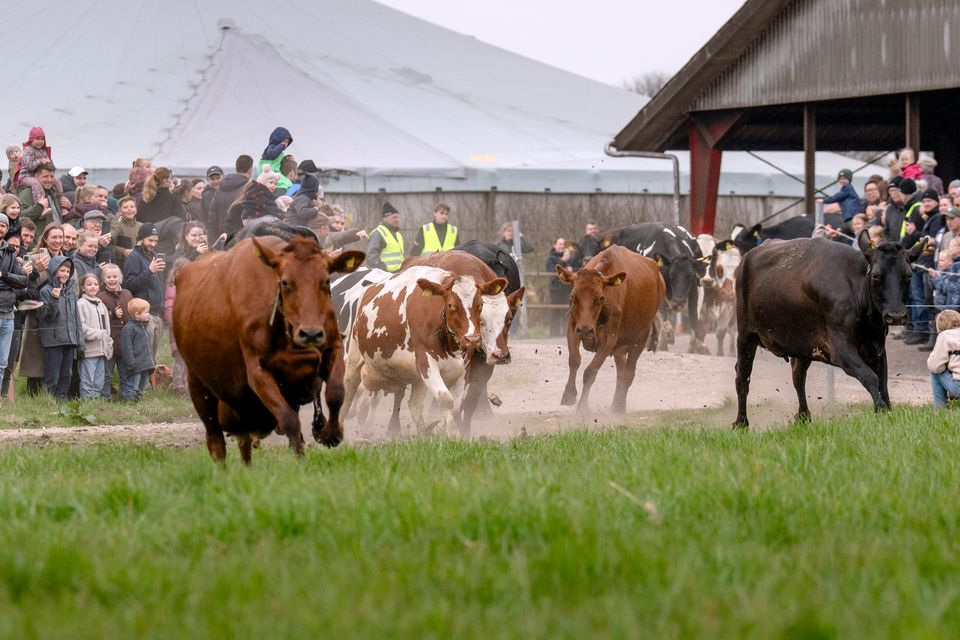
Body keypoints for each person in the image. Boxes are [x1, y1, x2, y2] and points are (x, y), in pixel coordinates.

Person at [0, 213, 39, 393]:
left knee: (3, 363)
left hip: (9, 313)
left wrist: (6, 277)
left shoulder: (10, 253)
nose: (1, 228)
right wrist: (12, 282)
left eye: (3, 225)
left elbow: (24, 281)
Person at [37, 256, 82, 400]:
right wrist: (54, 299)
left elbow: (76, 318)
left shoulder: (70, 291)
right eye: (62, 270)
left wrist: (78, 339)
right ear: (54, 271)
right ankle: (49, 402)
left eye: (68, 271)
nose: (65, 274)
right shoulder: (45, 291)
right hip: (53, 341)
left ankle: (61, 401)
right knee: (52, 376)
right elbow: (46, 317)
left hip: (69, 340)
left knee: (66, 374)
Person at [97, 264, 132, 400]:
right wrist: (112, 314)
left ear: (120, 278)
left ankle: (126, 398)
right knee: (107, 374)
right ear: (104, 279)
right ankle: (105, 398)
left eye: (115, 276)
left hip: (125, 341)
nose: (112, 280)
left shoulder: (127, 294)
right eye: (109, 277)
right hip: (109, 342)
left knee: (125, 373)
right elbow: (98, 318)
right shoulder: (101, 297)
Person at [76, 273, 113, 399]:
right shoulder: (81, 303)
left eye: (96, 284)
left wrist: (108, 343)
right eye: (89, 284)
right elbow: (81, 328)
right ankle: (87, 406)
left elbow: (107, 328)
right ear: (82, 288)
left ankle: (95, 405)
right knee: (87, 381)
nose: (93, 287)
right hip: (88, 352)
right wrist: (99, 334)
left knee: (98, 381)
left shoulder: (101, 304)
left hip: (101, 351)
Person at [122, 225, 165, 324]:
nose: (153, 244)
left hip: (157, 312)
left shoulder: (154, 256)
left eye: (155, 241)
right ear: (141, 239)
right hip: (142, 314)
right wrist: (149, 271)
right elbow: (130, 286)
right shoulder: (133, 258)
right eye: (150, 240)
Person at [13, 127, 64, 204]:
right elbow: (29, 166)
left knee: (58, 182)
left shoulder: (43, 151)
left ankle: (61, 200)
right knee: (35, 184)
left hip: (39, 175)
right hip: (26, 176)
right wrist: (40, 161)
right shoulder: (28, 150)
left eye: (42, 139)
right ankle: (40, 203)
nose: (40, 141)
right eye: (37, 139)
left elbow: (50, 165)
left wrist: (50, 163)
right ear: (31, 140)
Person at [163, 258, 190, 395]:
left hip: (190, 330)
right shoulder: (172, 288)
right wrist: (178, 325)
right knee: (179, 358)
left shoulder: (190, 287)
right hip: (178, 330)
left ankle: (186, 386)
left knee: (188, 359)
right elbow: (169, 309)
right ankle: (178, 386)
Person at [208, 155, 252, 237]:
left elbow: (212, 218)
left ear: (236, 168)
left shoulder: (220, 189)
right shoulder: (250, 188)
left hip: (224, 237)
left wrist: (220, 233)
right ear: (250, 169)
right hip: (243, 237)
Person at [120, 298, 155, 401]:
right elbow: (127, 347)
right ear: (137, 314)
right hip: (135, 365)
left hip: (146, 363)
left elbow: (148, 346)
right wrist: (131, 363)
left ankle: (139, 402)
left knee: (143, 386)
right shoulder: (129, 329)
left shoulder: (145, 327)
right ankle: (129, 402)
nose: (148, 314)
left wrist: (152, 360)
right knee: (132, 386)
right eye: (146, 312)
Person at [19, 163, 69, 228]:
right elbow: (20, 216)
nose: (49, 180)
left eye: (52, 176)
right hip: (40, 236)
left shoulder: (54, 191)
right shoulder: (27, 192)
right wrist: (39, 207)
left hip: (58, 235)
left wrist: (69, 207)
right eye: (45, 176)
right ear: (35, 177)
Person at [927, 310, 960, 407]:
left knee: (936, 372)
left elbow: (935, 366)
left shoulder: (944, 336)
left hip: (958, 387)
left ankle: (940, 409)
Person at [546, 237, 573, 337]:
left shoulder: (569, 258)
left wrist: (571, 268)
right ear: (555, 245)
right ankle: (554, 334)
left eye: (563, 244)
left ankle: (566, 334)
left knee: (567, 312)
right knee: (555, 312)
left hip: (568, 289)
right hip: (556, 289)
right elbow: (551, 271)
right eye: (559, 244)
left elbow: (576, 268)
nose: (562, 246)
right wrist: (562, 261)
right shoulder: (551, 258)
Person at [366, 202, 405, 272]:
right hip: (384, 276)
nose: (397, 220)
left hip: (398, 273)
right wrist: (382, 269)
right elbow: (371, 257)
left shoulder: (397, 234)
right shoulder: (378, 233)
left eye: (398, 217)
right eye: (394, 217)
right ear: (385, 218)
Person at [259, 127, 294, 191]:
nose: (285, 144)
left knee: (288, 182)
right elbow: (272, 155)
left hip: (275, 172)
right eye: (284, 141)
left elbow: (277, 160)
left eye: (287, 143)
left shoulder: (279, 151)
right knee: (285, 183)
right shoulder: (271, 147)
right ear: (278, 139)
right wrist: (281, 146)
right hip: (267, 171)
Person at [112, 196, 142, 267]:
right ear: (120, 211)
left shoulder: (141, 226)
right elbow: (110, 246)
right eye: (125, 207)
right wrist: (123, 251)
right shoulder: (116, 226)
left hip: (140, 263)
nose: (129, 209)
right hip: (123, 264)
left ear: (136, 209)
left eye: (132, 207)